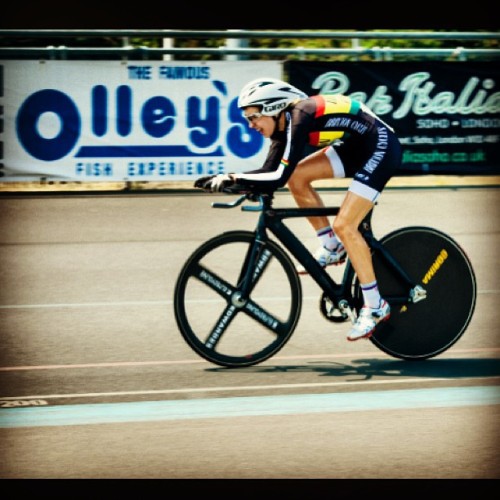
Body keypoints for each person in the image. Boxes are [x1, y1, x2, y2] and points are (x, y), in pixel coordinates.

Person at [194, 77, 403, 341]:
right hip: (354, 147)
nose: (251, 125)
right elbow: (273, 173)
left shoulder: (300, 115)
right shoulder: (283, 129)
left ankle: (375, 305)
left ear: (273, 107)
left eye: (254, 116)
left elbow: (276, 177)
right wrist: (236, 182)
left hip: (381, 147)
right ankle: (331, 246)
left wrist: (233, 177)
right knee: (298, 177)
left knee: (345, 225)